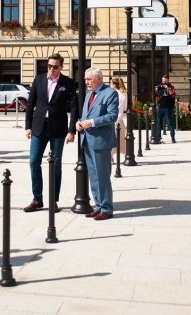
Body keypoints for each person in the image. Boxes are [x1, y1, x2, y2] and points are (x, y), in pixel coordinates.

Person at [22, 54, 78, 212]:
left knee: (56, 165)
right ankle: (37, 198)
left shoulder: (67, 83)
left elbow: (74, 108)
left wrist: (71, 130)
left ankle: (53, 200)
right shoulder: (39, 79)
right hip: (39, 127)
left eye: (55, 67)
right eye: (49, 66)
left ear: (61, 67)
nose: (51, 69)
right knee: (34, 162)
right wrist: (28, 126)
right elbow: (30, 103)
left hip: (58, 129)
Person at [70, 67, 119, 220]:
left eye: (89, 79)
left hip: (101, 142)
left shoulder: (110, 93)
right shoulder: (88, 95)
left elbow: (112, 116)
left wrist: (91, 123)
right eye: (85, 79)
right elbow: (85, 115)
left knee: (102, 175)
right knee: (94, 176)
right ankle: (98, 206)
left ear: (98, 78)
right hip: (87, 140)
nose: (86, 82)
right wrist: (79, 123)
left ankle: (106, 208)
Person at [153, 74, 177, 143]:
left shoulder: (171, 87)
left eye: (165, 81)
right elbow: (155, 93)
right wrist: (157, 88)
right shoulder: (160, 86)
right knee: (159, 122)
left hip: (168, 107)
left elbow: (173, 95)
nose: (164, 82)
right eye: (163, 81)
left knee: (170, 123)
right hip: (160, 107)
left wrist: (167, 88)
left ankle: (173, 137)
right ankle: (158, 137)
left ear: (168, 80)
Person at [110, 76, 128, 163]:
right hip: (120, 118)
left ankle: (111, 158)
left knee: (111, 139)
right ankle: (126, 155)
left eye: (111, 83)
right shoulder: (124, 94)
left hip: (112, 119)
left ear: (114, 84)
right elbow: (125, 107)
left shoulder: (111, 93)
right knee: (122, 139)